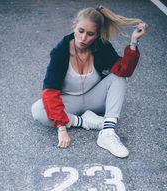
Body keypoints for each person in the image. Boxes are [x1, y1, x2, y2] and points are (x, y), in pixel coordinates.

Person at [31, 5, 148, 158]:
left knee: (119, 77)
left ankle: (107, 133)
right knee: (38, 110)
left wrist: (134, 42)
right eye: (80, 31)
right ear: (74, 26)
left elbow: (123, 69)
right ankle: (85, 121)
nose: (84, 38)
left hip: (95, 98)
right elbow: (50, 91)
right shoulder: (60, 52)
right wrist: (61, 128)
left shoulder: (101, 46)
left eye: (90, 34)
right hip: (69, 102)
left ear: (97, 34)